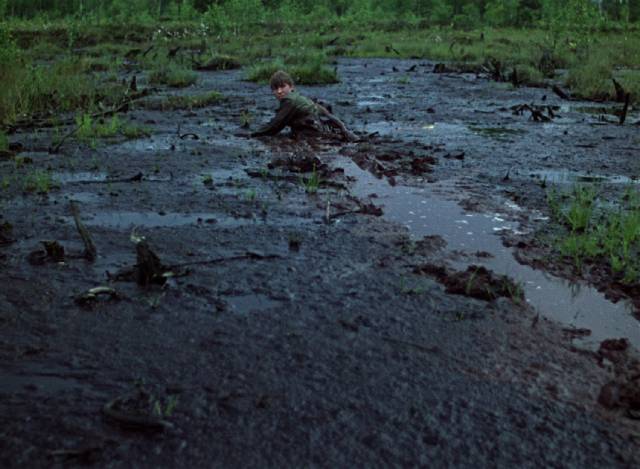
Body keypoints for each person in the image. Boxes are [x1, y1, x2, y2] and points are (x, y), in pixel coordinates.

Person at [251, 70, 356, 141]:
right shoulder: (298, 97)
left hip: (314, 132)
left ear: (291, 87)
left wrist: (254, 134)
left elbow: (275, 125)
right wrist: (343, 129)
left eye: (282, 86)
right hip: (322, 127)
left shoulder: (289, 101)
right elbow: (324, 111)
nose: (279, 91)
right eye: (275, 88)